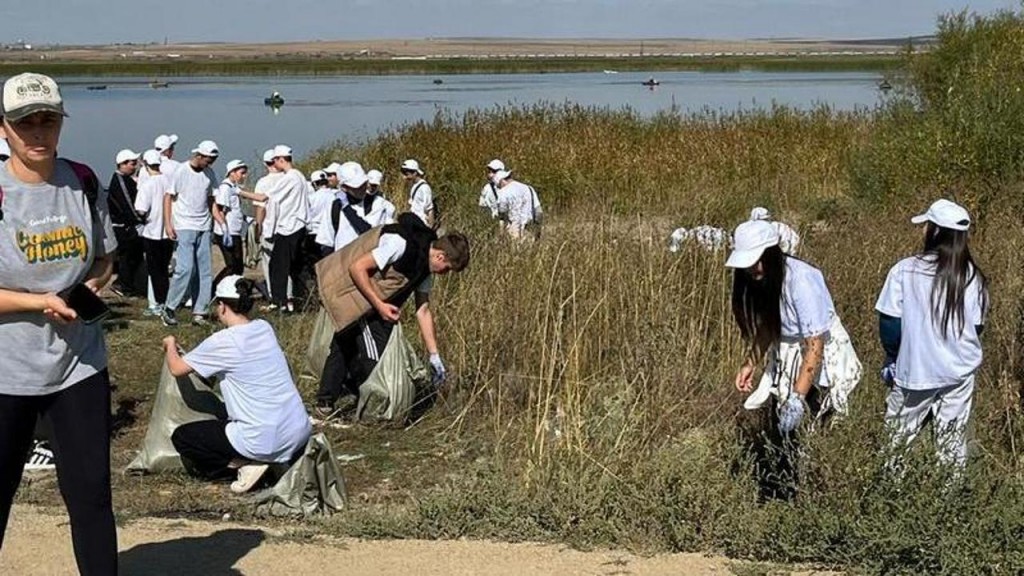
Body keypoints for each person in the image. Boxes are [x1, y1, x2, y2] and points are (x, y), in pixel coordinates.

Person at [0, 72, 118, 575]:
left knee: (91, 496)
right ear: (4, 129)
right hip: (7, 371)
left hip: (79, 366)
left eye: (48, 121)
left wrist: (92, 287)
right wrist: (37, 302)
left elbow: (104, 259)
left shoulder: (83, 181)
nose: (38, 133)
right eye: (25, 123)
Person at [727, 219, 860, 496]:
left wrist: (798, 397)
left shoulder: (802, 279)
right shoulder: (759, 279)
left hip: (817, 358)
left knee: (814, 425)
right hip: (786, 355)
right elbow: (768, 324)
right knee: (785, 432)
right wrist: (751, 362)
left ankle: (816, 492)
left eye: (757, 261)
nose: (753, 269)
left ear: (772, 253)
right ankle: (785, 491)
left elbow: (815, 344)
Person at [163, 275, 311, 493]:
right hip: (298, 430)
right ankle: (269, 460)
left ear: (222, 306)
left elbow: (177, 368)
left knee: (184, 437)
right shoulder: (264, 328)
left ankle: (243, 464)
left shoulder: (223, 341)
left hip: (262, 438)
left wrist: (170, 344)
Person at [313, 214, 470, 419]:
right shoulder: (400, 244)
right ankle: (371, 408)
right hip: (360, 298)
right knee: (376, 358)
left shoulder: (424, 269)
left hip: (376, 305)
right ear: (440, 256)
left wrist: (434, 355)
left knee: (345, 343)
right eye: (447, 269)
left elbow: (423, 310)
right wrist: (379, 305)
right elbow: (357, 268)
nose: (445, 274)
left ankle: (327, 402)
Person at [876, 199, 988, 468]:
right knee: (952, 441)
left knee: (897, 440)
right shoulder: (973, 277)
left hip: (916, 371)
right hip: (959, 371)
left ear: (936, 231)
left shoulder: (905, 269)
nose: (923, 230)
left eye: (927, 225)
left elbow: (890, 322)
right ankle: (950, 502)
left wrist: (893, 357)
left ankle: (891, 497)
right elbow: (976, 328)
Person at [239, 145, 308, 312]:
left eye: (275, 160)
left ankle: (280, 302)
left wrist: (239, 192)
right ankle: (289, 301)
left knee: (278, 267)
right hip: (295, 226)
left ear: (281, 160)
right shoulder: (299, 176)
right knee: (288, 266)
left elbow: (263, 198)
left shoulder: (290, 178)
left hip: (289, 227)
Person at [161, 139, 219, 327]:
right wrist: (168, 224)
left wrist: (220, 222)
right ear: (199, 156)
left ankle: (200, 311)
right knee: (185, 269)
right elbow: (168, 197)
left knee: (205, 271)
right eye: (208, 160)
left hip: (204, 226)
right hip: (184, 225)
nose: (210, 164)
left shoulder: (209, 174)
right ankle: (170, 307)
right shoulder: (181, 171)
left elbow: (211, 200)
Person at [316, 162, 395, 253]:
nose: (362, 188)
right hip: (344, 262)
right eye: (357, 187)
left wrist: (347, 209)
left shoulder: (377, 203)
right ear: (344, 188)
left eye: (364, 184)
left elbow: (369, 233)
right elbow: (327, 243)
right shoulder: (334, 207)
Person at [135, 149, 175, 317]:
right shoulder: (170, 181)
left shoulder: (148, 185)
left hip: (152, 231)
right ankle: (164, 300)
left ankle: (159, 303)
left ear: (145, 164)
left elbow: (141, 209)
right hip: (169, 230)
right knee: (165, 269)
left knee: (154, 270)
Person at [107, 148, 147, 297]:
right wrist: (138, 221)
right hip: (124, 227)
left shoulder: (127, 180)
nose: (135, 166)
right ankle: (124, 285)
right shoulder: (120, 181)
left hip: (129, 226)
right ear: (122, 164)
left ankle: (128, 284)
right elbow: (128, 204)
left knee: (134, 256)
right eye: (132, 163)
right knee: (127, 256)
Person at [213, 159, 248, 289]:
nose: (244, 176)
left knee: (238, 266)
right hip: (227, 232)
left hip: (235, 231)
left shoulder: (234, 188)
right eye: (242, 173)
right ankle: (214, 289)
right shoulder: (225, 188)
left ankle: (233, 291)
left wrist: (246, 218)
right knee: (231, 265)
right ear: (232, 172)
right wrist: (224, 228)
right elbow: (221, 210)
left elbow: (235, 210)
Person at [492, 169, 543, 240]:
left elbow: (502, 213)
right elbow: (538, 212)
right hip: (529, 229)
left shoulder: (503, 192)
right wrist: (537, 232)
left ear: (501, 181)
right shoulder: (529, 188)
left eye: (498, 186)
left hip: (513, 230)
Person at [305, 168, 334, 267]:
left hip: (314, 233)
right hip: (331, 234)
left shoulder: (311, 198)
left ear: (314, 184)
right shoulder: (335, 196)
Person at [400, 158, 434, 227]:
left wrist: (430, 227)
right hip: (414, 222)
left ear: (415, 173)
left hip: (421, 225)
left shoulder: (424, 188)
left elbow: (430, 209)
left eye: (407, 174)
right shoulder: (415, 186)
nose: (404, 177)